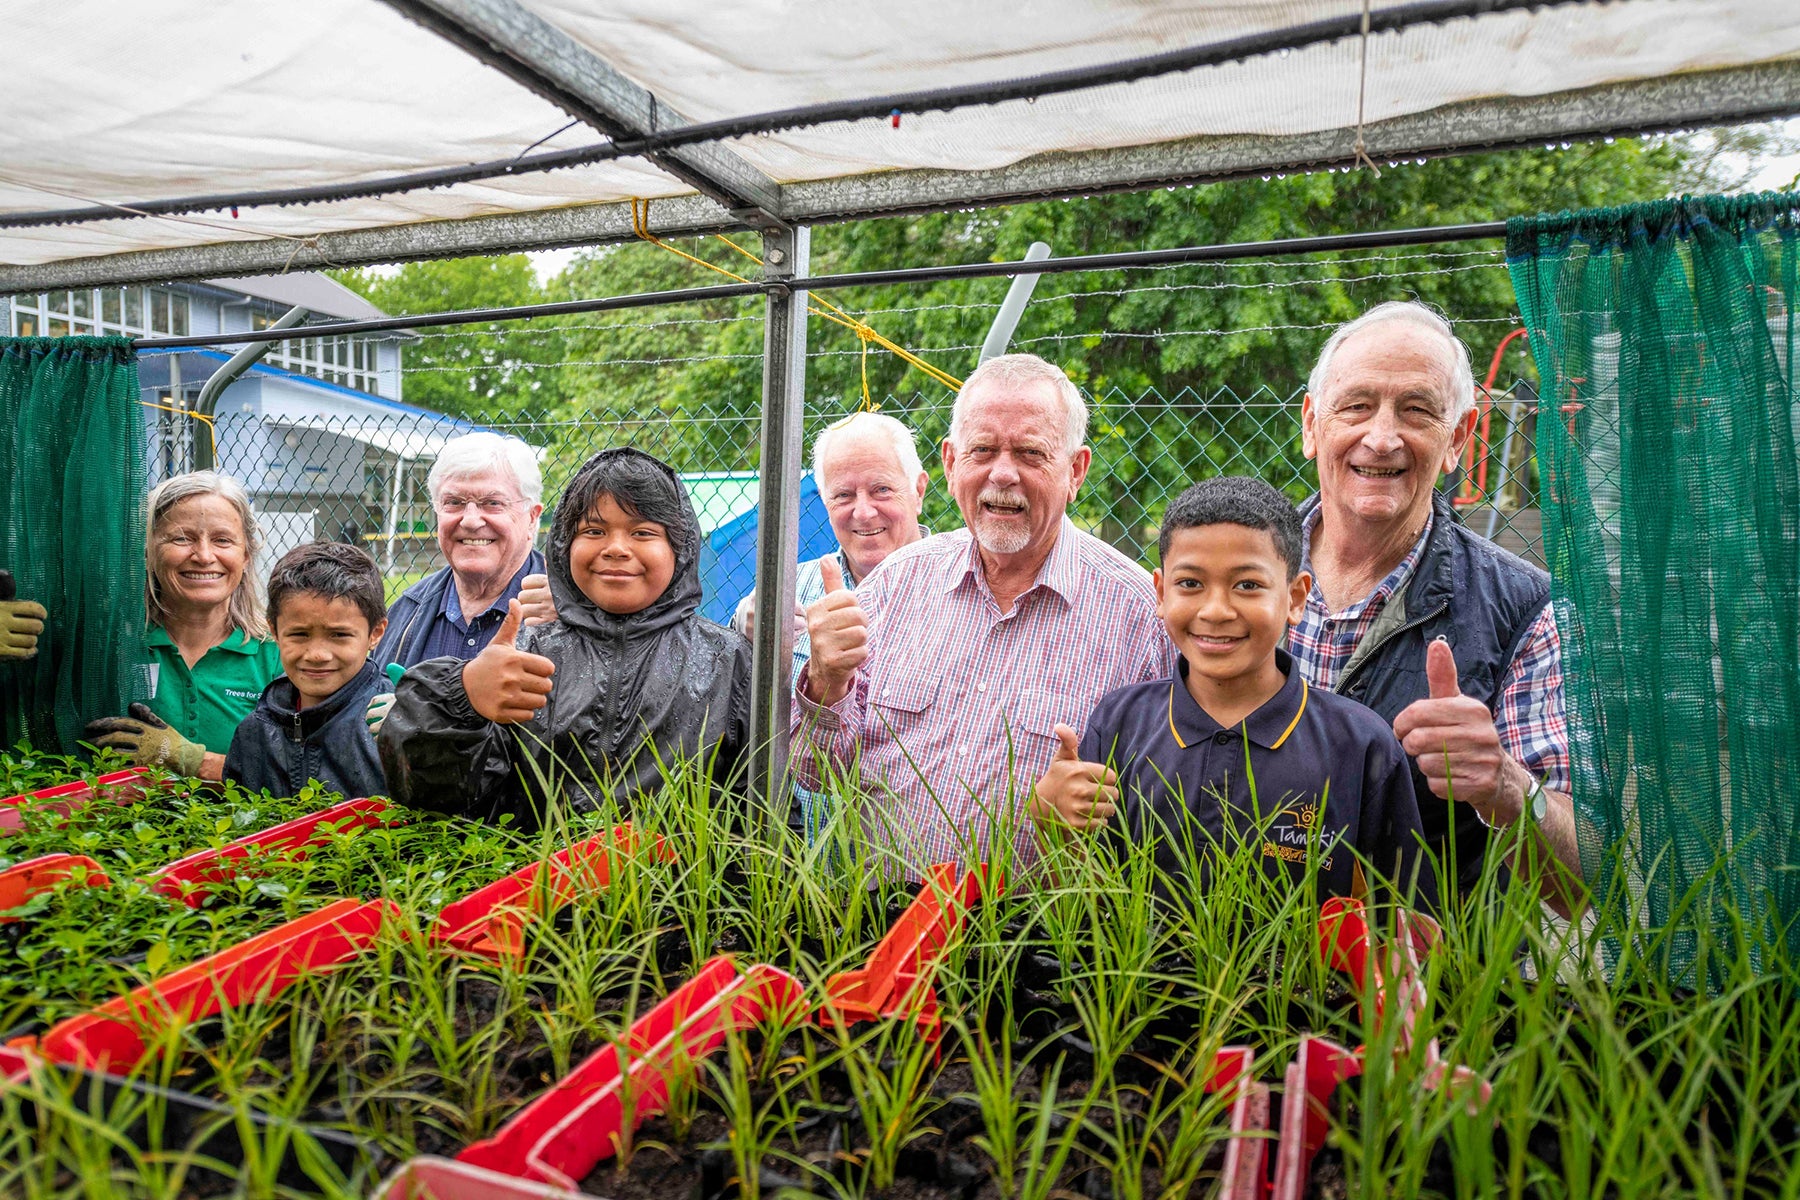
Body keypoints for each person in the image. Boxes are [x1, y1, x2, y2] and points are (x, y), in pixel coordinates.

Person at [791, 353, 1173, 880]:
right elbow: (813, 774)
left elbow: (1173, 815)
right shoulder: (895, 587)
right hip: (875, 932)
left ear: (1076, 471)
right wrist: (826, 680)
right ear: (950, 465)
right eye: (982, 450)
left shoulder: (1140, 616)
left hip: (1037, 945)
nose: (1002, 473)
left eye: (1031, 452)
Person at [1294, 301, 1580, 914]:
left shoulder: (1526, 610)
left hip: (1430, 985)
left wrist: (1504, 786)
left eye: (1417, 410)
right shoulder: (1231, 575)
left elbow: (1580, 889)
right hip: (1233, 973)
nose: (1382, 436)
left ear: (1456, 439)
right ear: (1312, 425)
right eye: (1356, 405)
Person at [1032, 477, 1430, 903]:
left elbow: (1406, 920)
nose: (1216, 611)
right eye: (1190, 584)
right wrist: (1050, 820)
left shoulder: (1360, 743)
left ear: (1296, 598)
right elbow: (1081, 901)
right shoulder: (1120, 723)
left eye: (1247, 585)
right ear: (1161, 592)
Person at [379, 447, 752, 826]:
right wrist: (462, 700)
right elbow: (436, 793)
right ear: (564, 544)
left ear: (680, 548)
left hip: (679, 882)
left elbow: (764, 813)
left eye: (643, 532)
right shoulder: (531, 654)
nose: (617, 549)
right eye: (593, 531)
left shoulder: (727, 660)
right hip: (537, 879)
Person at [731, 411, 930, 837]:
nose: (863, 511)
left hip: (914, 862)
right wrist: (741, 627)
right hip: (796, 860)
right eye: (843, 495)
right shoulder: (787, 589)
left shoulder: (962, 585)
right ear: (824, 503)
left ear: (918, 490)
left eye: (881, 489)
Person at [84, 472, 282, 781]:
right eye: (181, 538)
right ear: (148, 550)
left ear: (246, 554)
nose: (204, 556)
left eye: (222, 540)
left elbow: (301, 771)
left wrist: (192, 760)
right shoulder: (110, 646)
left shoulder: (277, 655)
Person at [365, 432, 554, 734]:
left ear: (532, 518)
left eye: (492, 503)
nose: (469, 520)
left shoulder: (564, 610)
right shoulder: (406, 612)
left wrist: (417, 717)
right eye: (453, 502)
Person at [224, 542, 388, 799]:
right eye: (299, 634)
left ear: (375, 633)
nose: (317, 655)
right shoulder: (254, 732)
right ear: (275, 632)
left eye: (339, 635)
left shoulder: (394, 722)